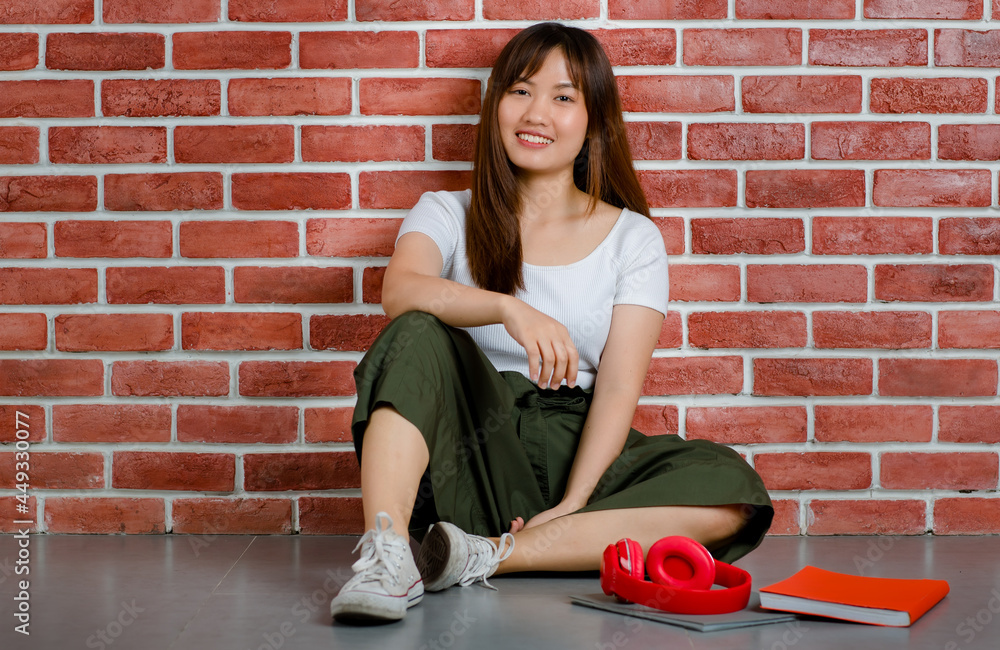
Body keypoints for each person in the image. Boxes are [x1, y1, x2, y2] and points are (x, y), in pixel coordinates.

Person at [329, 22, 773, 624]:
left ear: (594, 119)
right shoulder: (445, 211)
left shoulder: (633, 238)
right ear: (494, 104)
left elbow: (618, 388)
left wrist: (574, 500)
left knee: (734, 491)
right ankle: (388, 560)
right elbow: (398, 291)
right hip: (472, 443)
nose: (536, 112)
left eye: (563, 97)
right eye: (520, 90)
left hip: (576, 440)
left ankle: (486, 554)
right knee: (415, 330)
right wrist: (508, 307)